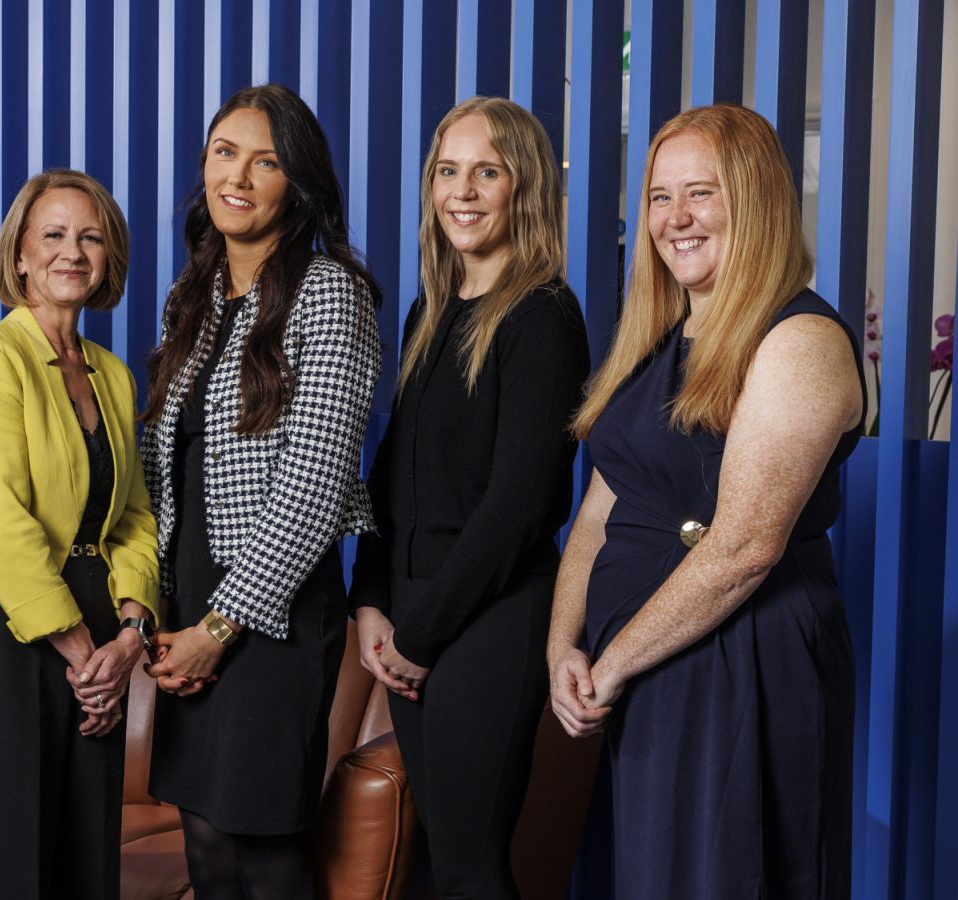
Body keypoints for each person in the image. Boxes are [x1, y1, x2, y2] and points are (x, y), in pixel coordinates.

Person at [548, 104, 862, 898]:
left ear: (754, 201)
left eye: (702, 193)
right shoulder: (656, 337)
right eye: (659, 196)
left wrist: (611, 664)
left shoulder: (800, 340)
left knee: (736, 874)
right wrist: (564, 650)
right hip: (652, 660)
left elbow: (745, 547)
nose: (675, 218)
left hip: (744, 657)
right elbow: (599, 510)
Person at [140, 83, 381, 898]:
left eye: (266, 160)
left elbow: (313, 489)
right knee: (206, 844)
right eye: (225, 152)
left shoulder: (330, 293)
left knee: (266, 853)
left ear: (298, 184)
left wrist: (219, 626)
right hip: (190, 604)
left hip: (268, 617)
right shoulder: (196, 298)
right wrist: (163, 612)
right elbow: (163, 465)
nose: (238, 176)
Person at [349, 96, 590, 898]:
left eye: (487, 172)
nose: (464, 190)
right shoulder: (432, 310)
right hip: (417, 615)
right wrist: (373, 602)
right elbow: (392, 476)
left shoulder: (544, 317)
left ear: (522, 188)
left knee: (468, 862)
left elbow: (519, 508)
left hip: (489, 619)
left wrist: (420, 630)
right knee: (442, 857)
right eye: (449, 171)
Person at [0, 169, 160, 899]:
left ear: (109, 258)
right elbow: (0, 520)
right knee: (5, 855)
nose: (74, 251)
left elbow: (131, 518)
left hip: (100, 628)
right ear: (21, 257)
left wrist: (130, 638)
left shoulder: (113, 375)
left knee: (84, 855)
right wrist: (81, 653)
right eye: (55, 236)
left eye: (91, 237)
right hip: (10, 627)